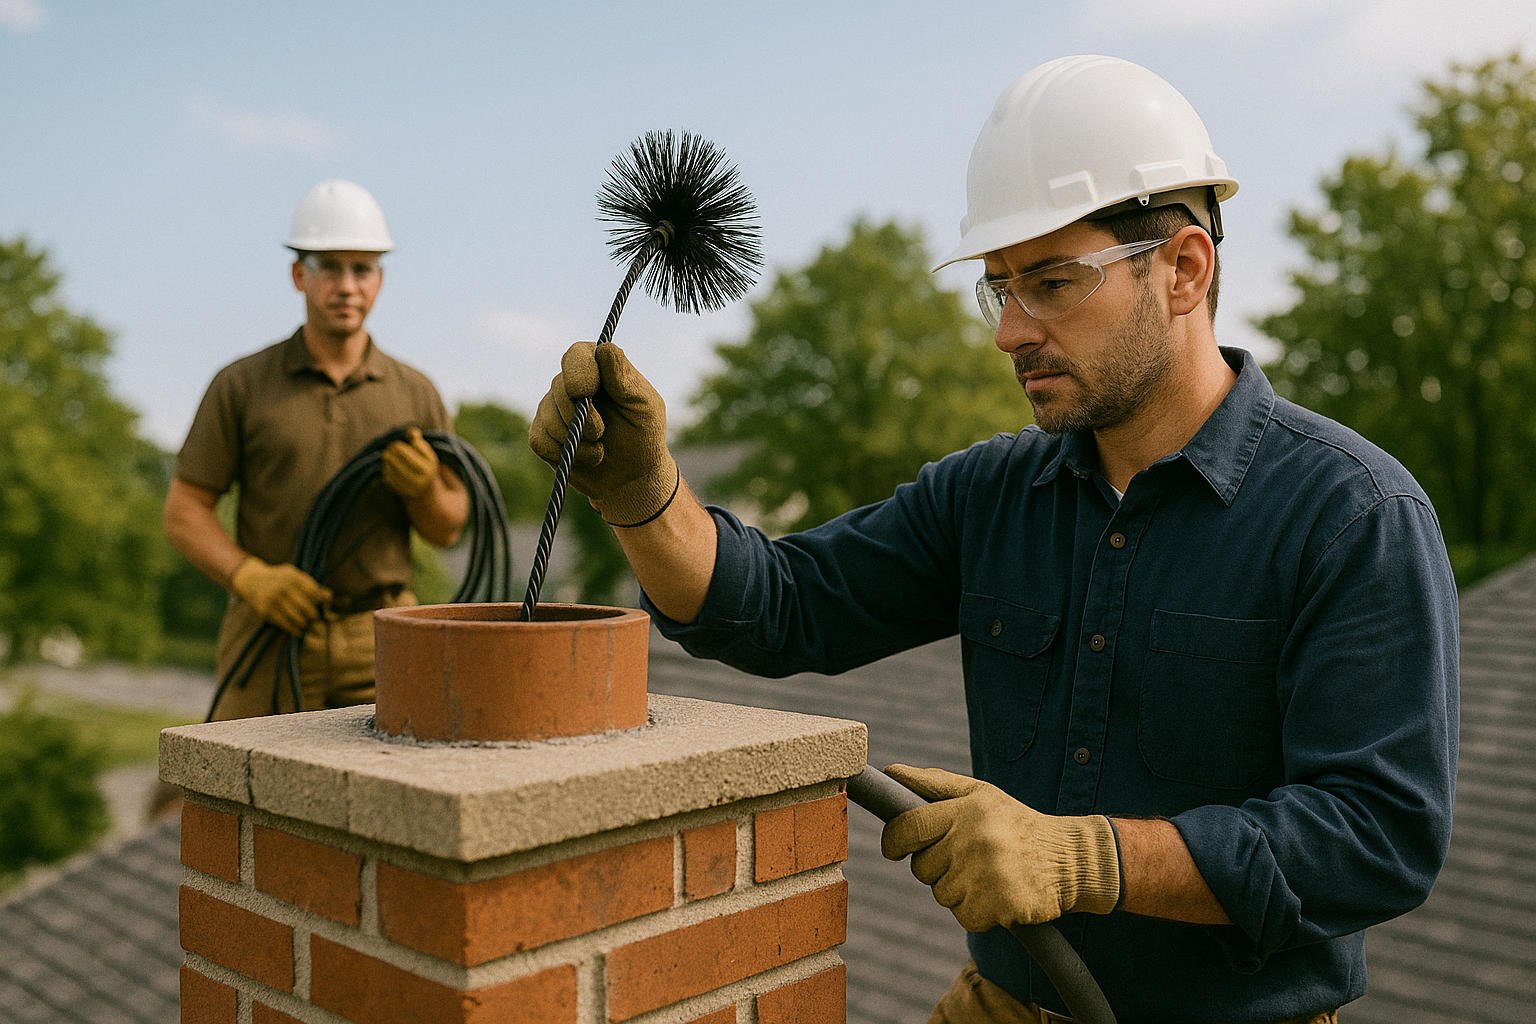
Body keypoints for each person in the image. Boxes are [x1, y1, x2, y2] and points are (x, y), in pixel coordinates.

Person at [529, 56, 1458, 1024]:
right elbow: (782, 607)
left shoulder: (1352, 515)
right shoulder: (991, 494)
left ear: (1185, 269)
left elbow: (1375, 836)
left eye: (1053, 282)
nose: (1010, 330)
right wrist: (644, 495)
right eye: (999, 287)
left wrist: (1086, 857)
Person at [165, 179, 468, 721]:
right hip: (268, 627)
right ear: (298, 275)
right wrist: (250, 578)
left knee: (400, 788)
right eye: (330, 267)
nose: (347, 285)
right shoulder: (241, 384)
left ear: (380, 279)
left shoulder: (414, 392)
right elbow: (185, 512)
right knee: (241, 786)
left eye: (363, 268)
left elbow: (447, 528)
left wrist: (423, 489)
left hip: (382, 632)